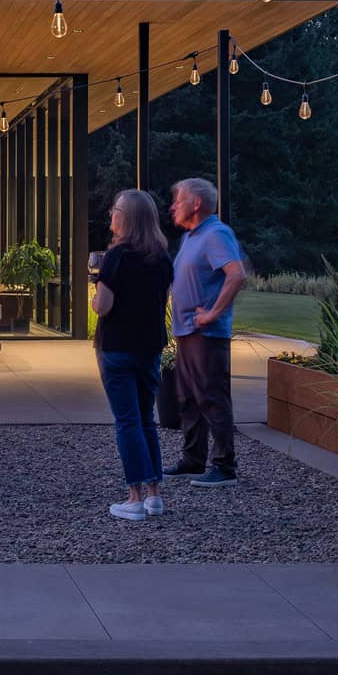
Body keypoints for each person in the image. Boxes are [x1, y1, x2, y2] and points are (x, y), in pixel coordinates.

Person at [92, 189, 174, 521]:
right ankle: (154, 495)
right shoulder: (162, 258)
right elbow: (160, 301)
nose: (111, 213)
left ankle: (134, 497)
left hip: (117, 347)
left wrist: (95, 293)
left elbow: (103, 307)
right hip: (149, 346)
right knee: (146, 418)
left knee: (127, 421)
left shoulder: (116, 257)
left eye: (116, 209)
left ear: (127, 218)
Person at [164, 177, 246, 488]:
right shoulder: (191, 237)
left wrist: (213, 313)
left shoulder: (216, 233)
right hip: (187, 331)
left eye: (179, 200)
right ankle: (193, 459)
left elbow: (236, 274)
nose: (173, 206)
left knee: (212, 397)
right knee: (188, 397)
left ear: (196, 203)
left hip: (207, 334)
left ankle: (224, 466)